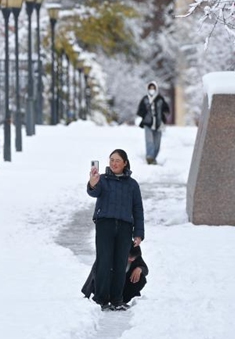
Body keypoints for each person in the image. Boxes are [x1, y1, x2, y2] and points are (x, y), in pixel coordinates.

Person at [87, 149, 145, 311]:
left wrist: (139, 233)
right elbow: (94, 192)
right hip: (105, 225)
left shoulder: (132, 184)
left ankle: (117, 299)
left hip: (125, 228)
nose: (114, 163)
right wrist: (93, 181)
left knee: (120, 264)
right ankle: (101, 298)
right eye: (111, 160)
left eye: (117, 160)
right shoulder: (103, 179)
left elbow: (138, 209)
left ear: (125, 163)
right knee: (104, 262)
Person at [82, 245, 148, 306]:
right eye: (129, 257)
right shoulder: (109, 254)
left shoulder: (136, 257)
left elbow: (145, 269)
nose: (131, 260)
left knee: (142, 278)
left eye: (133, 258)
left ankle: (121, 301)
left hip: (122, 288)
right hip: (106, 285)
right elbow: (96, 271)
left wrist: (139, 269)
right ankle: (103, 300)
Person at [136, 81, 170, 165]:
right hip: (148, 123)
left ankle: (153, 158)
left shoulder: (160, 99)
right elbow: (139, 111)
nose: (152, 90)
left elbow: (167, 110)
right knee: (149, 141)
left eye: (153, 88)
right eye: (150, 88)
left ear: (156, 89)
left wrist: (163, 114)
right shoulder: (145, 99)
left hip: (158, 124)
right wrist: (145, 114)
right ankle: (149, 157)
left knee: (157, 143)